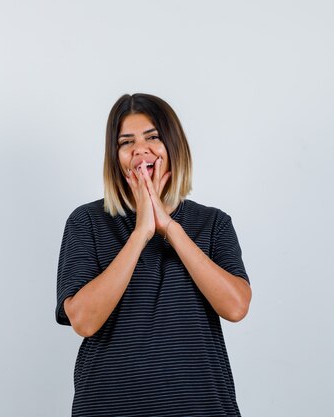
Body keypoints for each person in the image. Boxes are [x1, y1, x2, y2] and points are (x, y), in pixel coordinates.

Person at [55, 93, 252, 417]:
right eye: (126, 142)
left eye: (152, 137)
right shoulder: (86, 221)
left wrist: (170, 228)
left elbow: (235, 306)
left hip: (202, 408)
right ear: (115, 155)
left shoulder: (213, 223)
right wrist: (140, 233)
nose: (139, 149)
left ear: (173, 146)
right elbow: (85, 321)